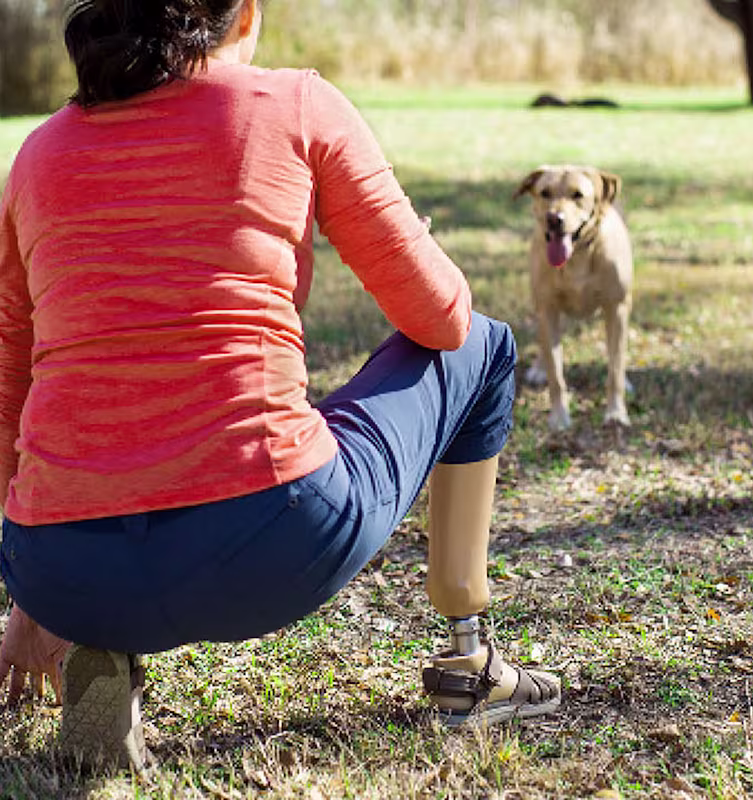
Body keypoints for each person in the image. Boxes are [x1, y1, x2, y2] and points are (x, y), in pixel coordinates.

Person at [0, 0, 561, 770]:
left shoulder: (36, 154)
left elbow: (10, 381)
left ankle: (104, 649)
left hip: (60, 568)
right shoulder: (295, 104)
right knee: (488, 344)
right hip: (264, 546)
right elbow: (441, 319)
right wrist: (417, 241)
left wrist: (33, 590)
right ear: (247, 15)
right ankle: (470, 665)